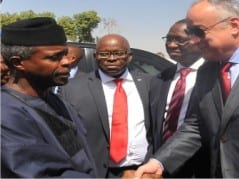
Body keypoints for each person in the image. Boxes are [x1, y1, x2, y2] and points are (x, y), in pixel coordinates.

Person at [135, 0, 239, 178]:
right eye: (191, 33)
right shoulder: (207, 71)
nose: (194, 41)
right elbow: (197, 125)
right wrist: (159, 161)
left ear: (233, 26)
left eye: (199, 32)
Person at [1, 17, 98, 178]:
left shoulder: (54, 100)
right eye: (55, 57)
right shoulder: (6, 115)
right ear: (18, 62)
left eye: (66, 54)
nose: (67, 62)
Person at [60, 33, 154, 178]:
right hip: (97, 172)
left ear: (129, 56)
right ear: (95, 57)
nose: (111, 58)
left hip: (143, 172)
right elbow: (66, 135)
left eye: (118, 53)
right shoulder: (71, 88)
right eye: (104, 54)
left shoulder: (151, 84)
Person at [150, 18, 206, 178]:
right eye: (168, 39)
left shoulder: (215, 76)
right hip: (161, 164)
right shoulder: (161, 78)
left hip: (201, 166)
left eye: (180, 40)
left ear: (199, 41)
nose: (171, 45)